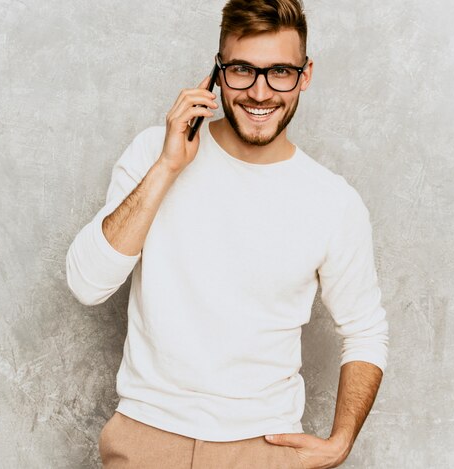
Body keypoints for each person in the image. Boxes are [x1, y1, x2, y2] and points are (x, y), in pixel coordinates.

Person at [66, 0, 389, 467]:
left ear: (306, 74)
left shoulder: (333, 202)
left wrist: (341, 441)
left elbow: (365, 330)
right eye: (242, 70)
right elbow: (86, 284)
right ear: (216, 73)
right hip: (148, 436)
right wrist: (168, 166)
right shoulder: (153, 155)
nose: (260, 93)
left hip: (263, 447)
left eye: (280, 71)